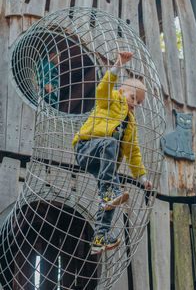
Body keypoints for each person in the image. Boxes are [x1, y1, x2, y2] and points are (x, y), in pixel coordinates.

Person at [72, 51, 152, 254]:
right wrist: (117, 65)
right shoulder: (110, 100)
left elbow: (133, 151)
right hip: (87, 149)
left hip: (103, 164)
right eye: (133, 97)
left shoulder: (130, 124)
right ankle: (109, 191)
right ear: (122, 91)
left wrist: (142, 178)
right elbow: (103, 88)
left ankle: (100, 238)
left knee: (111, 198)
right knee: (109, 143)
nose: (135, 103)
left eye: (139, 103)